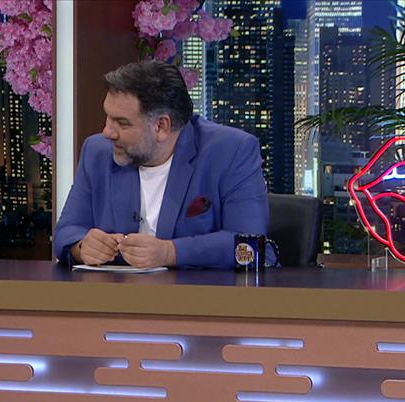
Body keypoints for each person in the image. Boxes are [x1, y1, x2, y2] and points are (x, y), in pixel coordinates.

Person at [54, 60, 271, 269]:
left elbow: (249, 243)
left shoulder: (231, 151)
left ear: (161, 126)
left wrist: (170, 253)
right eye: (108, 117)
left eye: (122, 123)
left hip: (197, 292)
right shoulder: (98, 151)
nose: (107, 132)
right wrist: (81, 247)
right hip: (117, 291)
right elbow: (65, 232)